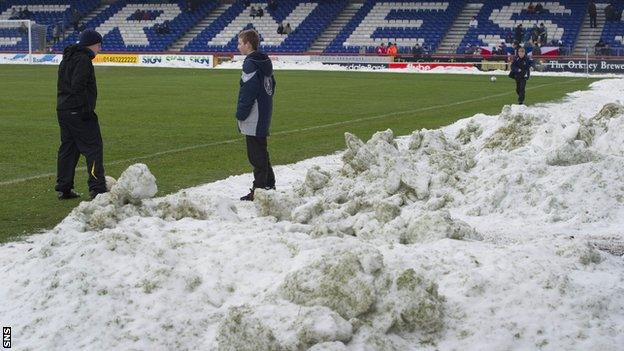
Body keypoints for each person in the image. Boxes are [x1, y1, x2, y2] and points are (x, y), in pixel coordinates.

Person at [55, 29, 107, 200]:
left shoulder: (67, 58)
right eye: (99, 45)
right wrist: (85, 110)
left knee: (68, 148)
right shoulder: (83, 60)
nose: (99, 49)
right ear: (92, 44)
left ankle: (64, 188)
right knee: (93, 148)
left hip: (63, 109)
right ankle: (97, 188)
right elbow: (78, 86)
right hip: (78, 111)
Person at [235, 29, 277, 201]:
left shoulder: (250, 63)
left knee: (255, 154)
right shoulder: (264, 61)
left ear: (247, 44)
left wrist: (241, 113)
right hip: (264, 111)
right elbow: (272, 86)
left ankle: (259, 190)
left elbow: (248, 90)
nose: (238, 46)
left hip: (254, 115)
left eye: (239, 43)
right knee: (261, 150)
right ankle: (269, 184)